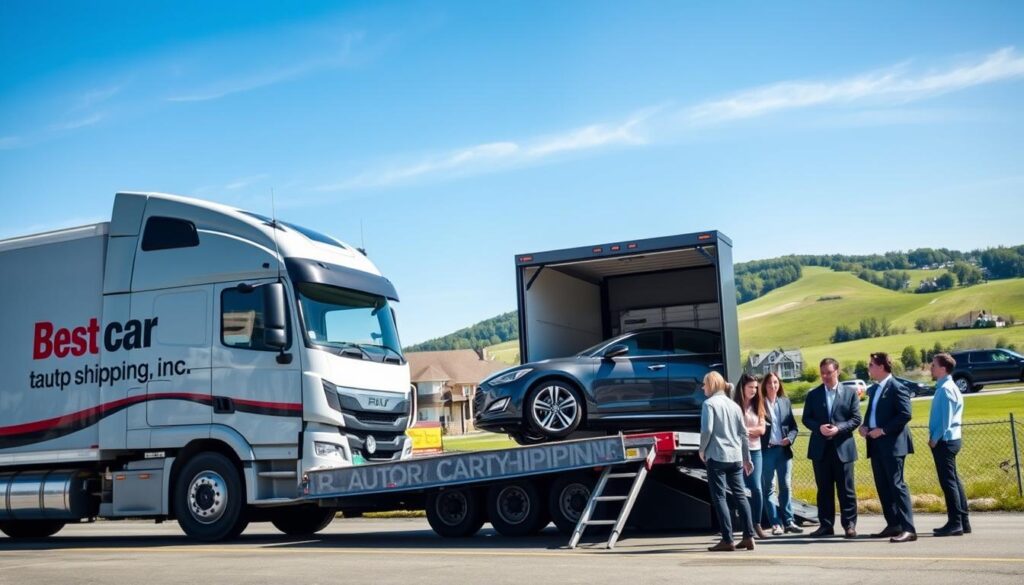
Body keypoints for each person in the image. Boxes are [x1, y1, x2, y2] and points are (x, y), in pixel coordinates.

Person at [802, 357, 861, 538]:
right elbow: (807, 418)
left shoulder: (850, 393)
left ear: (837, 371)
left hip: (843, 448)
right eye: (823, 373)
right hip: (821, 450)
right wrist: (818, 428)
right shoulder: (814, 394)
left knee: (846, 490)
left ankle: (849, 525)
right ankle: (826, 525)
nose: (825, 376)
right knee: (824, 490)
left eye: (829, 372)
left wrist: (838, 428)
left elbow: (856, 419)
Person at [861, 352, 917, 543]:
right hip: (876, 444)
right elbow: (872, 412)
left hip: (893, 445)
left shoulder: (897, 387)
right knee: (883, 486)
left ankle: (908, 528)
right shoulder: (875, 389)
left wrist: (883, 430)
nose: (869, 368)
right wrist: (865, 426)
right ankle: (893, 524)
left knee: (896, 485)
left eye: (871, 365)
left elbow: (905, 414)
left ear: (882, 367)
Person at [699, 371, 756, 551]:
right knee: (741, 496)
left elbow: (707, 430)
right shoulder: (734, 406)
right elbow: (743, 434)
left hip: (717, 456)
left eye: (704, 384)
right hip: (736, 457)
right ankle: (749, 536)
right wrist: (747, 458)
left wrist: (701, 449)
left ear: (711, 385)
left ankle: (727, 539)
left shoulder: (709, 404)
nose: (702, 388)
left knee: (719, 497)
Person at [928, 352, 970, 536]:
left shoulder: (945, 389)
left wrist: (935, 438)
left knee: (948, 483)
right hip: (951, 439)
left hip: (945, 441)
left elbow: (945, 419)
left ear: (943, 368)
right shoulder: (948, 386)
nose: (931, 368)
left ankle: (955, 523)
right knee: (954, 480)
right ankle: (963, 521)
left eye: (934, 365)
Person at [760, 372, 802, 535]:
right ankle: (776, 524)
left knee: (785, 486)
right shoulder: (760, 403)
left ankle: (789, 521)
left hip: (783, 451)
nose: (773, 386)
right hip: (767, 451)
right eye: (770, 383)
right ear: (765, 385)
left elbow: (794, 427)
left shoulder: (785, 402)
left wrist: (789, 439)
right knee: (769, 487)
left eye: (776, 383)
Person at [734, 373, 767, 539]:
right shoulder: (734, 406)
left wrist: (746, 431)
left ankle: (757, 523)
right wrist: (748, 432)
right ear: (743, 388)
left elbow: (762, 430)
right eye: (750, 387)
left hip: (755, 451)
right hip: (737, 453)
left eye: (756, 387)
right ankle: (745, 525)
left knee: (757, 488)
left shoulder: (758, 405)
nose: (754, 390)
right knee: (738, 489)